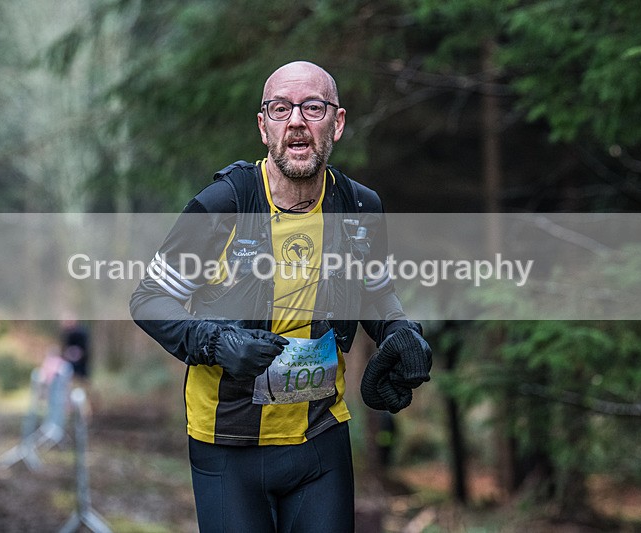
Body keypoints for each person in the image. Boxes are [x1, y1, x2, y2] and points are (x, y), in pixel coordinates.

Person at [130, 61, 432, 532]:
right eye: (280, 108)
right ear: (263, 126)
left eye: (313, 107)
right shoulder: (223, 205)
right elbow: (150, 298)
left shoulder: (359, 207)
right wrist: (214, 342)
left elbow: (373, 290)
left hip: (319, 436)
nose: (296, 120)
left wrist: (398, 330)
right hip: (227, 442)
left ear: (338, 122)